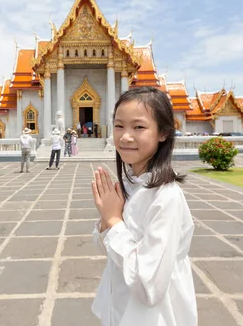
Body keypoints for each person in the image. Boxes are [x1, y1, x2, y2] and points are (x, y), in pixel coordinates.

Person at [90, 86, 197, 326]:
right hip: (119, 309)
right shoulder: (130, 184)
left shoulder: (166, 198)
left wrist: (114, 221)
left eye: (138, 127)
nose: (125, 136)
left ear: (163, 133)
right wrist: (107, 218)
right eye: (119, 126)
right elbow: (106, 248)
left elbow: (149, 288)